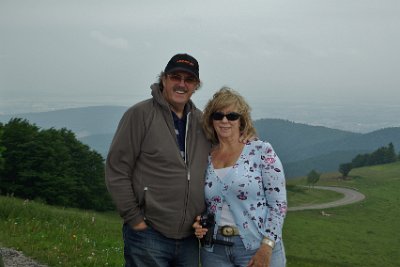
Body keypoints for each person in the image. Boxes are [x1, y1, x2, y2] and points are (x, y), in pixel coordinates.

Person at [105, 53, 211, 267]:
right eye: (175, 77)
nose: (182, 84)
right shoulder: (140, 115)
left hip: (190, 238)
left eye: (189, 80)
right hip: (149, 233)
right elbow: (117, 169)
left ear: (196, 86)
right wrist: (134, 218)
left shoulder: (202, 121)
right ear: (164, 79)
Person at [193, 87, 288, 267]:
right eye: (218, 115)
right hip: (215, 251)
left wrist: (267, 247)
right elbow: (207, 203)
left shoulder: (261, 151)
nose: (224, 120)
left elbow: (278, 205)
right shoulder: (205, 157)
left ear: (241, 120)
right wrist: (199, 223)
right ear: (211, 120)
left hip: (257, 247)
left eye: (232, 116)